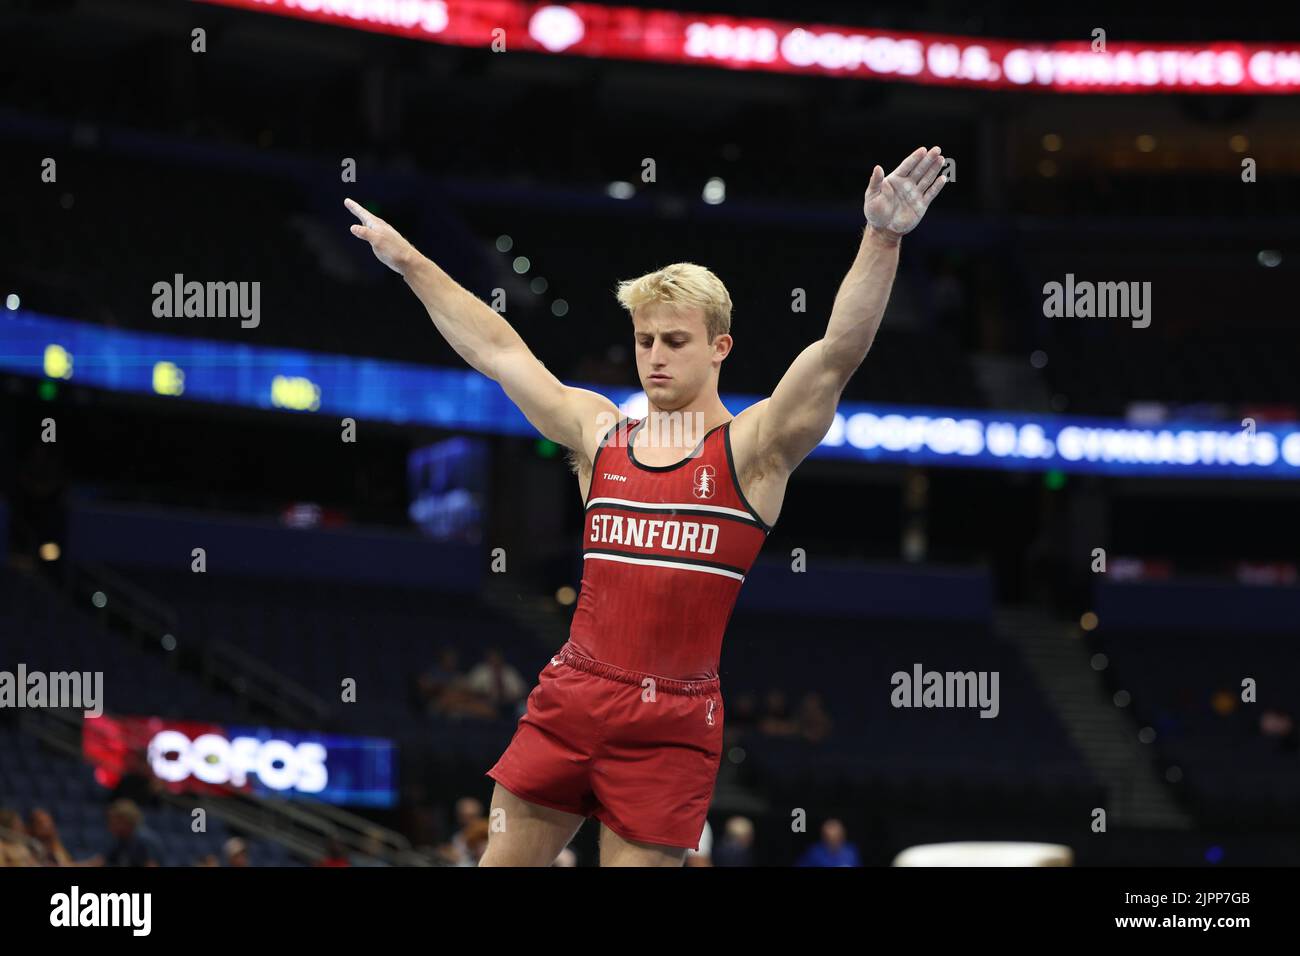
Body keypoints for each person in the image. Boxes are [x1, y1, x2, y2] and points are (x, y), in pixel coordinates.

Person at [346, 146, 948, 866]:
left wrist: (881, 239)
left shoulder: (752, 449)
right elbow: (501, 351)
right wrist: (412, 260)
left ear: (719, 346)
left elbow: (835, 354)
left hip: (671, 727)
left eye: (674, 340)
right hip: (571, 698)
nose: (654, 355)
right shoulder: (600, 436)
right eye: (643, 340)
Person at [81, 800, 162, 867]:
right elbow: (100, 862)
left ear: (125, 821)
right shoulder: (120, 839)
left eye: (113, 822)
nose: (109, 826)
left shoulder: (145, 840)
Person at [796, 819, 861, 867]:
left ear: (843, 836)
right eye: (829, 837)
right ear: (823, 837)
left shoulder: (851, 852)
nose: (833, 841)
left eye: (836, 837)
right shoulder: (814, 853)